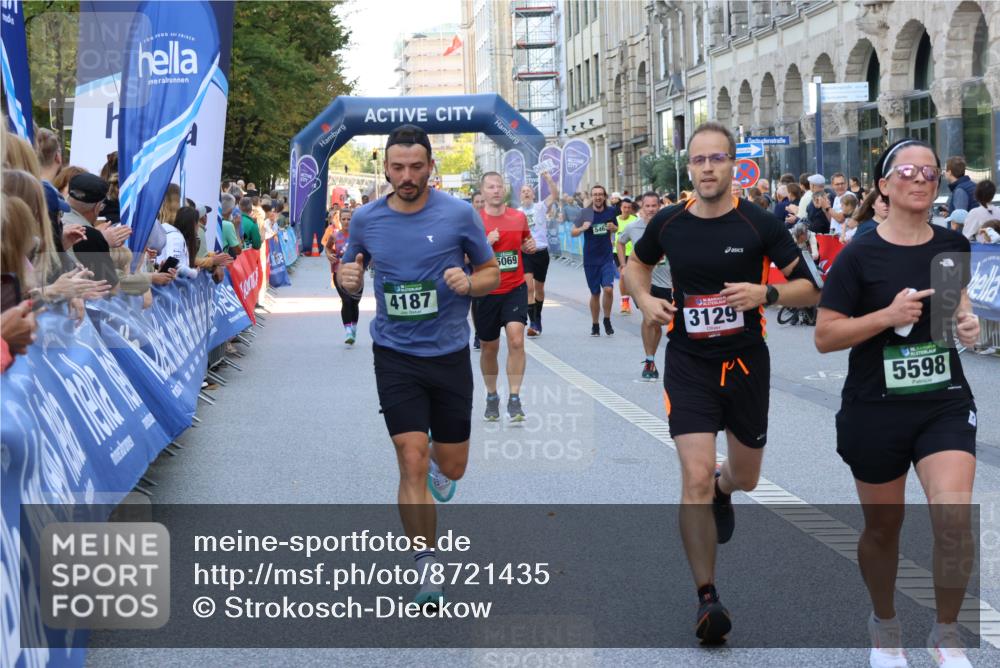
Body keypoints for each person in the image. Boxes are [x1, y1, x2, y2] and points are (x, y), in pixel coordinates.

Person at [625, 121, 821, 645]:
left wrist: (767, 294)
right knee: (691, 474)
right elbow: (636, 267)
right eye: (698, 160)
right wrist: (645, 301)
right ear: (688, 167)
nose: (707, 168)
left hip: (746, 365)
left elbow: (810, 288)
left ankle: (724, 487)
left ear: (733, 165)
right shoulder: (668, 222)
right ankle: (707, 599)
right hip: (688, 364)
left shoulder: (759, 224)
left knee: (747, 476)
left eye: (717, 159)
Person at [815, 138, 980, 668]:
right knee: (884, 527)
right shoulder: (859, 254)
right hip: (875, 406)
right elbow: (825, 336)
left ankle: (947, 636)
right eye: (907, 170)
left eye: (929, 171)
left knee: (954, 518)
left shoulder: (950, 246)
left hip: (943, 400)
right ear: (884, 185)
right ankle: (885, 628)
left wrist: (967, 325)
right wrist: (886, 316)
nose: (920, 177)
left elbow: (951, 317)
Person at [336, 124, 499, 607]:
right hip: (395, 354)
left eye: (416, 167)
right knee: (409, 457)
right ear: (385, 168)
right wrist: (347, 279)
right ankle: (426, 563)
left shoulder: (459, 214)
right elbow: (350, 276)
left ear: (431, 167)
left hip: (448, 355)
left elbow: (492, 272)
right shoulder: (365, 219)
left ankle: (439, 466)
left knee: (452, 465)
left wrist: (471, 283)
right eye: (397, 167)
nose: (406, 176)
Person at [475, 171, 536, 422]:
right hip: (485, 291)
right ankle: (491, 395)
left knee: (516, 340)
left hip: (514, 288)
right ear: (483, 192)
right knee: (489, 347)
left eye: (499, 186)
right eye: (491, 187)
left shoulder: (518, 217)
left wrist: (528, 246)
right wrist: (485, 244)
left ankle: (514, 398)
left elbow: (526, 242)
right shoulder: (474, 222)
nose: (496, 190)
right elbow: (465, 258)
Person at [619, 191, 673, 380]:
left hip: (669, 282)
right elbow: (620, 241)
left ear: (659, 206)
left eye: (654, 206)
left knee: (670, 322)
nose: (650, 209)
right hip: (645, 283)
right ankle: (650, 360)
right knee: (651, 320)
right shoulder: (634, 227)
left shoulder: (670, 226)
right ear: (642, 207)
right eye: (647, 206)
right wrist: (624, 265)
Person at [571, 185, 618, 336]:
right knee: (595, 293)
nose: (598, 197)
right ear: (592, 197)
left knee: (608, 289)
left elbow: (616, 227)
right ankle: (595, 324)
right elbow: (573, 232)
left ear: (604, 196)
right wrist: (582, 228)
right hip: (590, 259)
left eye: (600, 194)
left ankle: (607, 319)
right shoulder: (585, 213)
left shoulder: (611, 211)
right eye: (595, 194)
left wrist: (613, 228)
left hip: (606, 257)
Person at [521, 173, 557, 336]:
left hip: (541, 253)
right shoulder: (517, 213)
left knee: (539, 289)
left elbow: (555, 195)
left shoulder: (540, 207)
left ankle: (538, 316)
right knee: (529, 287)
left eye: (529, 191)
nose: (526, 193)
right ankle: (533, 323)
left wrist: (548, 179)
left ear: (533, 194)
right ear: (520, 196)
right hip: (526, 253)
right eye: (523, 191)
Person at [325, 207, 360, 344]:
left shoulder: (358, 236)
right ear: (339, 221)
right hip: (338, 272)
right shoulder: (334, 235)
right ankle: (348, 332)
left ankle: (354, 327)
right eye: (343, 219)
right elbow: (327, 248)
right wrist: (329, 255)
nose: (346, 222)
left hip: (355, 273)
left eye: (349, 219)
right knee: (346, 300)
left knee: (354, 302)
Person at [614, 197, 639, 314]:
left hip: (634, 253)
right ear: (620, 208)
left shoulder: (636, 220)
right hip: (618, 253)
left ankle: (636, 298)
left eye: (629, 208)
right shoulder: (615, 220)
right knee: (623, 276)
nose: (627, 210)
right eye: (624, 207)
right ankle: (625, 303)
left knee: (632, 278)